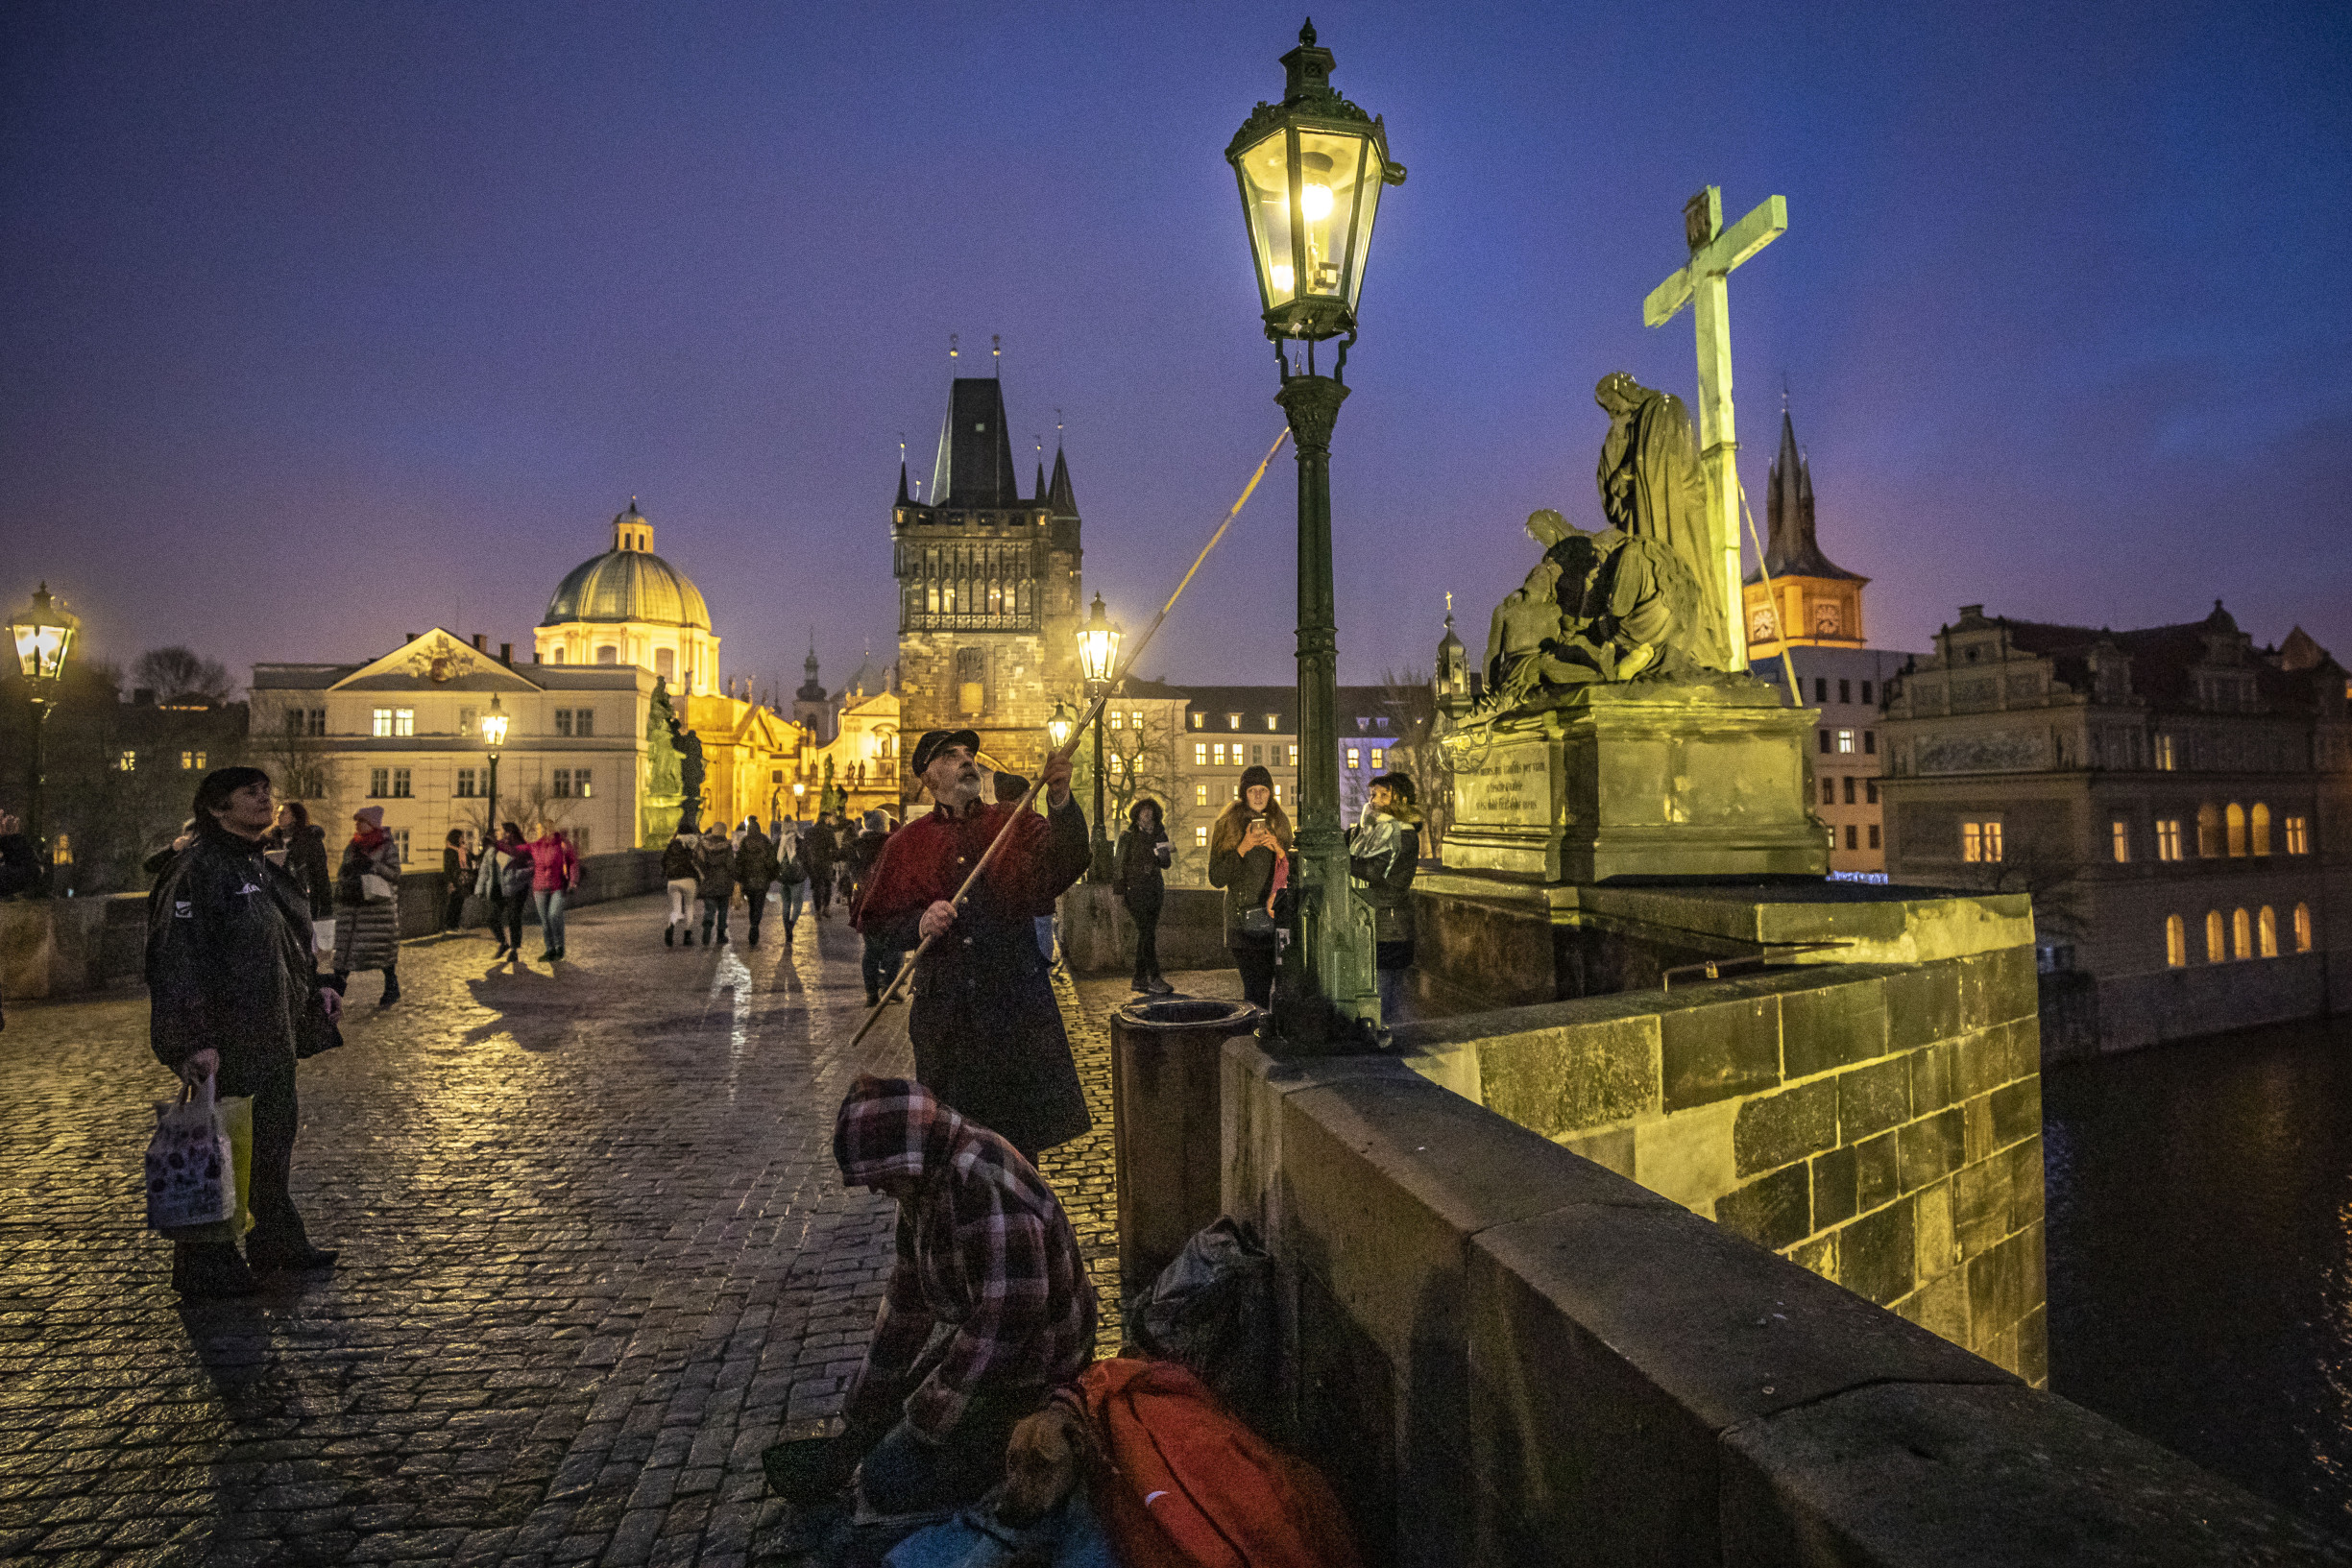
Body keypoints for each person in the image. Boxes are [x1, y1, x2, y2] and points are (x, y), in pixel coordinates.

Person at [819, 1074, 1095, 1520]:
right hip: (994, 1343)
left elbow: (1002, 1326)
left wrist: (924, 1421)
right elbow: (908, 1301)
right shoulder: (926, 1183)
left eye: (880, 1175)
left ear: (905, 1160)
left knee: (885, 1477)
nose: (875, 1189)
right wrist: (865, 1407)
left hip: (1037, 1367)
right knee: (881, 1440)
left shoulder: (983, 1184)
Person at [147, 766, 342, 1298]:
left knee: (273, 1138)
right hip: (229, 1035)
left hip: (270, 1028)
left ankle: (275, 1239)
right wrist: (191, 1040)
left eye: (266, 791)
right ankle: (206, 1262)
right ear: (216, 808)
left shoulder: (259, 862)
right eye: (249, 793)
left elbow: (287, 941)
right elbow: (176, 957)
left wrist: (318, 987)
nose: (264, 799)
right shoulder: (197, 868)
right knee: (224, 1144)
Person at [855, 730, 1091, 1164]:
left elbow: (1068, 859)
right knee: (953, 1147)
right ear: (928, 777)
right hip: (948, 1021)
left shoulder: (1012, 821)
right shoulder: (907, 843)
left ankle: (1021, 1228)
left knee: (1017, 1147)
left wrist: (1060, 799)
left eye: (969, 754)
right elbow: (876, 920)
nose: (967, 760)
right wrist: (919, 922)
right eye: (950, 755)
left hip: (1014, 1010)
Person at [1208, 765, 1293, 1011]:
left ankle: (1265, 1035)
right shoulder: (1227, 823)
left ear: (1271, 793)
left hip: (1275, 918)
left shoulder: (1280, 822)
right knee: (1255, 990)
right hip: (1242, 922)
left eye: (1263, 790)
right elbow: (1216, 877)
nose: (1258, 796)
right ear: (1243, 793)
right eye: (1252, 790)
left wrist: (1278, 849)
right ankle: (1254, 1039)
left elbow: (1291, 869)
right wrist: (1242, 848)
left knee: (1276, 987)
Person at [1348, 771, 1423, 1023]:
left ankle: (1389, 1049)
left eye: (1384, 795)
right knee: (1370, 998)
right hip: (1370, 925)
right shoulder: (1371, 832)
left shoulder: (1405, 835)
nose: (1375, 800)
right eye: (1372, 795)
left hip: (1391, 928)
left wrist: (1343, 859)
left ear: (1400, 800)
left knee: (1385, 1000)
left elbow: (1375, 871)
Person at [331, 806, 402, 1006]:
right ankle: (336, 991)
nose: (357, 824)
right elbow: (342, 872)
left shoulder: (386, 847)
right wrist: (348, 871)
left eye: (361, 821)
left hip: (376, 910)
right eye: (357, 821)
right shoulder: (352, 845)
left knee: (381, 954)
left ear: (372, 824)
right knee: (345, 953)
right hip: (352, 905)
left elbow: (395, 875)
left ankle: (391, 987)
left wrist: (373, 865)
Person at [1114, 799, 1176, 995]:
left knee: (1146, 934)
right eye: (1143, 811)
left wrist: (1163, 855)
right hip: (1135, 891)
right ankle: (1154, 977)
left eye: (1150, 811)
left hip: (1155, 890)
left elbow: (1166, 865)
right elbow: (1119, 865)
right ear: (1137, 814)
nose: (1147, 814)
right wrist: (1119, 892)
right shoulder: (1128, 837)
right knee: (1147, 932)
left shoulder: (1160, 835)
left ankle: (1139, 979)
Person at [514, 822, 581, 961]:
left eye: (540, 829)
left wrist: (573, 880)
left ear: (548, 830)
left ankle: (559, 946)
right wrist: (501, 846)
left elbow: (572, 861)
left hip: (557, 885)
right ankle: (550, 950)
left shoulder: (561, 844)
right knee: (545, 921)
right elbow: (519, 849)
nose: (538, 832)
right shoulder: (536, 845)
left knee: (554, 915)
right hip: (539, 887)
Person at [479, 822, 531, 961]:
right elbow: (489, 863)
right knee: (491, 918)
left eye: (505, 832)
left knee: (514, 917)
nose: (503, 834)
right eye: (502, 832)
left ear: (512, 833)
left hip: (519, 888)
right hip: (502, 887)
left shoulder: (523, 847)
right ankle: (503, 943)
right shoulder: (500, 847)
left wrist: (516, 875)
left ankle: (514, 949)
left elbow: (516, 854)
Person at [734, 814, 780, 946]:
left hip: (748, 880)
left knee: (752, 905)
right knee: (758, 905)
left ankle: (753, 924)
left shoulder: (744, 842)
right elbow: (771, 861)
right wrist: (772, 874)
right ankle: (754, 926)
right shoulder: (765, 841)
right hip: (762, 880)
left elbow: (739, 861)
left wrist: (739, 877)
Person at [695, 826, 737, 946]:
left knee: (709, 909)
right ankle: (720, 935)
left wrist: (706, 873)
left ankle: (707, 929)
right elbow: (730, 865)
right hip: (724, 883)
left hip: (708, 882)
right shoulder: (727, 847)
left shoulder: (704, 846)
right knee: (723, 910)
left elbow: (699, 862)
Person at [661, 829, 701, 948]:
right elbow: (698, 861)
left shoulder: (671, 846)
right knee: (689, 907)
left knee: (676, 910)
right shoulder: (692, 844)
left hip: (672, 881)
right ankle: (687, 936)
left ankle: (671, 925)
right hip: (689, 880)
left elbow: (663, 862)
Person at [775, 822, 809, 942]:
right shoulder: (801, 841)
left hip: (783, 878)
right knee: (798, 904)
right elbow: (807, 858)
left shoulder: (779, 842)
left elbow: (775, 860)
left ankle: (787, 932)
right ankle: (791, 924)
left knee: (786, 905)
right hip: (797, 878)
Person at [801, 814, 837, 917]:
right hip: (826, 862)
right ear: (825, 820)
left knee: (816, 886)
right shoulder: (828, 832)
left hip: (813, 863)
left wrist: (806, 862)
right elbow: (834, 847)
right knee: (827, 885)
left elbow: (804, 848)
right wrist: (833, 858)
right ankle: (826, 908)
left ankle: (817, 911)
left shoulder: (809, 831)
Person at [440, 829, 473, 932]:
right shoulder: (449, 851)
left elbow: (471, 861)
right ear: (455, 838)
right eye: (461, 837)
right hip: (455, 880)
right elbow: (448, 867)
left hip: (463, 880)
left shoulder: (462, 850)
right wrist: (450, 882)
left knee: (460, 902)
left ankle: (455, 925)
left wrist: (466, 851)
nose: (462, 839)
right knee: (453, 903)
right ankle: (450, 925)